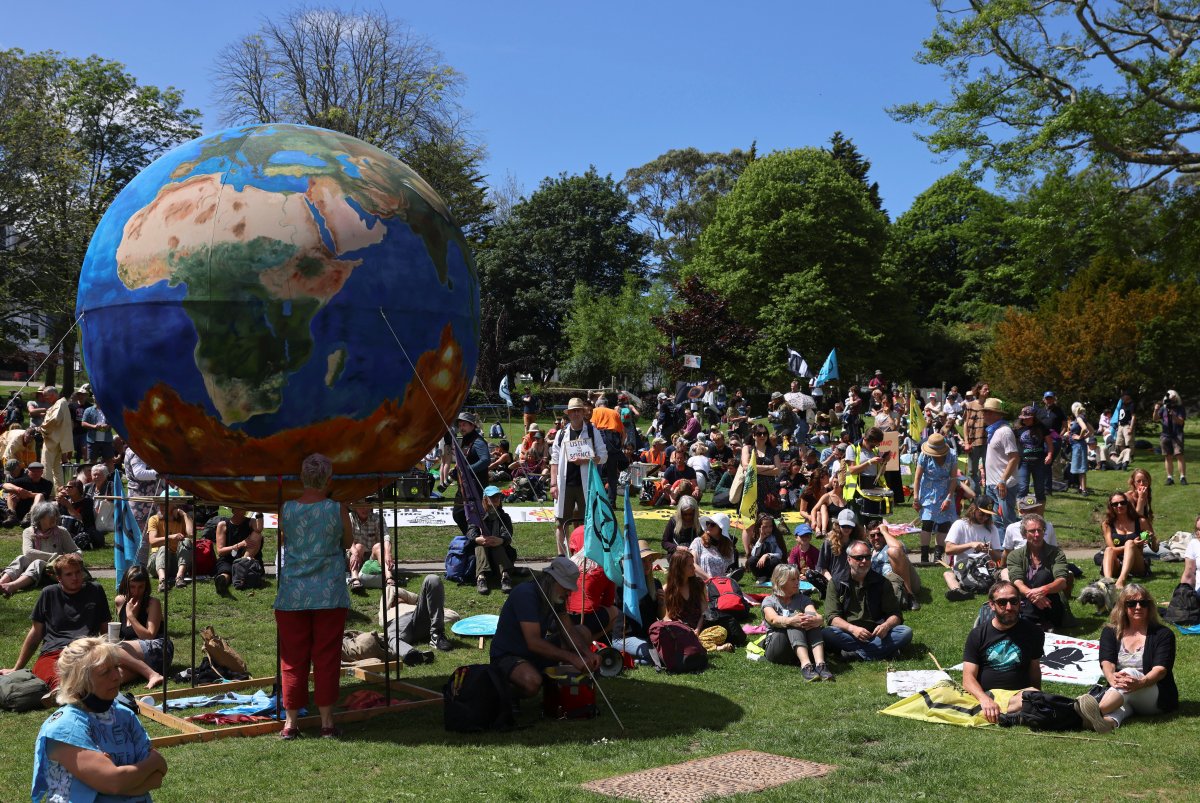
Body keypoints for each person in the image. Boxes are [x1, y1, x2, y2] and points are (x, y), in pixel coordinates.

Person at [30, 637, 167, 802]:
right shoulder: (64, 727)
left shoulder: (124, 714)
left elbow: (157, 777)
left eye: (116, 667)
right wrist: (153, 762)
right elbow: (113, 782)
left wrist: (123, 781)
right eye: (105, 672)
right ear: (79, 681)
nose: (117, 676)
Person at [274, 453, 353, 740]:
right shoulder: (337, 509)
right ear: (329, 479)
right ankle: (327, 722)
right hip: (329, 593)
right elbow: (348, 542)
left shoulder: (287, 509)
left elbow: (287, 539)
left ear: (302, 478)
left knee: (292, 658)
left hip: (292, 594)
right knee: (326, 657)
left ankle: (290, 723)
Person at [490, 556, 599, 698]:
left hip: (534, 654)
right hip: (508, 656)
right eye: (566, 587)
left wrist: (587, 653)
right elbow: (533, 643)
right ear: (553, 581)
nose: (569, 593)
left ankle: (553, 678)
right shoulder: (526, 595)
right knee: (532, 682)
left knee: (582, 632)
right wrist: (573, 658)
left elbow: (569, 630)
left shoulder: (555, 595)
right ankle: (504, 692)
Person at [1076, 585, 1178, 733]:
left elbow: (1160, 670)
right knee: (1122, 707)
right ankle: (1104, 723)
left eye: (1143, 603)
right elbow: (1106, 661)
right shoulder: (1110, 631)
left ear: (1149, 606)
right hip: (1124, 691)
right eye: (1131, 603)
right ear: (1122, 606)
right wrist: (1111, 679)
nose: (1138, 607)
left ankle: (1092, 711)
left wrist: (1141, 682)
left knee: (1128, 673)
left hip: (1154, 694)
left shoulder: (1163, 634)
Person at [961, 581, 1045, 724]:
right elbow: (967, 679)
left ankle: (1016, 712)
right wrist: (984, 699)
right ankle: (1018, 713)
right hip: (989, 695)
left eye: (1014, 601)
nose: (1009, 607)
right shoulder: (978, 634)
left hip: (1019, 694)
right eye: (1002, 602)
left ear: (1020, 602)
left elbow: (1034, 669)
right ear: (992, 605)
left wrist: (1036, 694)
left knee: (1038, 698)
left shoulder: (1034, 632)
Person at [821, 540, 913, 661]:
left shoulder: (882, 582)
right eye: (859, 558)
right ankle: (882, 651)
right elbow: (832, 617)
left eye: (867, 557)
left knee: (905, 632)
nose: (864, 561)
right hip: (849, 632)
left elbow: (895, 614)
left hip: (877, 633)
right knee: (827, 633)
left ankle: (857, 654)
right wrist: (853, 629)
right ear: (849, 559)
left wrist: (886, 626)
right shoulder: (836, 582)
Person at [549, 397, 607, 557]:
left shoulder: (592, 431)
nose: (575, 414)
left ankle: (585, 554)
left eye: (578, 411)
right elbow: (553, 460)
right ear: (568, 414)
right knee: (560, 523)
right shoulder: (561, 434)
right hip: (564, 485)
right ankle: (561, 556)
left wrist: (586, 460)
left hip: (586, 485)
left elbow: (603, 456)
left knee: (586, 522)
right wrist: (553, 484)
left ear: (583, 412)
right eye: (572, 411)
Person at [761, 563, 833, 681]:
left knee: (809, 619)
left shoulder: (803, 599)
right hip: (778, 648)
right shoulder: (769, 600)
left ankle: (821, 665)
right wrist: (791, 620)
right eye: (793, 580)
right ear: (781, 582)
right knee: (795, 620)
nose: (797, 582)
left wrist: (817, 619)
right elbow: (773, 619)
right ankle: (806, 666)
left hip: (799, 646)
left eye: (797, 579)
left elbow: (815, 614)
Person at [1005, 514, 1071, 630]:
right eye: (1032, 531)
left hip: (1050, 602)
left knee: (1043, 576)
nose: (1037, 535)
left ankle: (1032, 623)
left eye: (1040, 530)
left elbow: (1062, 581)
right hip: (1025, 601)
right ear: (1024, 534)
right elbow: (1017, 581)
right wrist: (1032, 595)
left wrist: (1042, 590)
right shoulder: (1014, 555)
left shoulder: (1056, 553)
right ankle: (1037, 624)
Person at [0, 500, 80, 597]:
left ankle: (12, 586)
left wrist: (75, 555)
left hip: (53, 569)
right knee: (21, 558)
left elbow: (75, 550)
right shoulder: (28, 532)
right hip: (40, 564)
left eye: (55, 515)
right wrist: (56, 556)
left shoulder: (61, 532)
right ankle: (2, 583)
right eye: (50, 515)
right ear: (39, 518)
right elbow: (28, 553)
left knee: (38, 562)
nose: (54, 518)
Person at [663, 550, 733, 653]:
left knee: (721, 631)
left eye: (693, 564)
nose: (694, 568)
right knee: (672, 637)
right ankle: (713, 647)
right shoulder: (667, 589)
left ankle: (695, 643)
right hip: (680, 630)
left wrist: (698, 629)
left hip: (699, 628)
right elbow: (666, 617)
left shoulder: (699, 585)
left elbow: (704, 611)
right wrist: (682, 628)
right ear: (679, 568)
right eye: (690, 566)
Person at [112, 564, 170, 687]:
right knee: (113, 676)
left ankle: (152, 674)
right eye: (132, 587)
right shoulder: (120, 601)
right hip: (134, 655)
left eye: (141, 587)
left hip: (159, 648)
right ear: (125, 585)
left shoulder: (152, 603)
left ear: (146, 586)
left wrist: (131, 616)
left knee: (112, 648)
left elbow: (149, 636)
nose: (136, 592)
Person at [609, 540, 664, 664]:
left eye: (650, 560)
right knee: (657, 655)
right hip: (625, 637)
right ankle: (632, 658)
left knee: (664, 653)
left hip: (647, 636)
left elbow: (660, 615)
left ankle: (632, 659)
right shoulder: (623, 585)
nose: (647, 564)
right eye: (643, 560)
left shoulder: (655, 583)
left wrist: (661, 603)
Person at [383, 574, 454, 664]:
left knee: (432, 579)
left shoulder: (414, 605)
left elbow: (453, 615)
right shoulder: (388, 609)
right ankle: (412, 655)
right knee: (392, 637)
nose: (398, 599)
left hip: (418, 618)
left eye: (400, 597)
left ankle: (436, 635)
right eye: (395, 598)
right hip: (398, 620)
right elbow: (389, 590)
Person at [911, 432, 958, 564]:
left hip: (945, 490)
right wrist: (916, 498)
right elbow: (917, 477)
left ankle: (938, 556)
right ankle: (924, 556)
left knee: (943, 523)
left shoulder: (952, 455)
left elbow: (954, 478)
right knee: (927, 522)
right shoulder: (924, 455)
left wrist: (948, 498)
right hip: (927, 491)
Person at [565, 525, 619, 640]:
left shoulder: (568, 563)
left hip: (564, 615)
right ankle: (591, 639)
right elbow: (608, 602)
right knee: (615, 612)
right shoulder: (605, 566)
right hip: (587, 618)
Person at [943, 502, 1003, 602]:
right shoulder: (960, 524)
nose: (985, 518)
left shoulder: (992, 528)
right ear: (973, 510)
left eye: (988, 515)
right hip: (964, 566)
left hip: (985, 566)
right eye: (982, 514)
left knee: (1004, 571)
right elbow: (948, 549)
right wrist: (970, 545)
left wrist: (990, 550)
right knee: (948, 574)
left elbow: (998, 557)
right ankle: (957, 591)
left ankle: (1007, 588)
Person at [1102, 492, 1155, 589]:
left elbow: (1155, 549)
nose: (1119, 506)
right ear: (1111, 507)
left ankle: (1121, 581)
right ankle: (1107, 583)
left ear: (1128, 503)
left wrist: (1153, 539)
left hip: (1137, 563)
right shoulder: (1107, 524)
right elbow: (1112, 549)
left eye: (1122, 503)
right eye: (1115, 504)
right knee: (1108, 550)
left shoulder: (1140, 521)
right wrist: (1130, 546)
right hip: (1117, 563)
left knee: (1129, 543)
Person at [981, 398, 1020, 529]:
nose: (985, 415)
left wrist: (1003, 480)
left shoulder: (1004, 432)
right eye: (985, 412)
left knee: (1007, 521)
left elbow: (1014, 457)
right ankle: (1001, 548)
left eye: (989, 412)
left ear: (998, 415)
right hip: (992, 484)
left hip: (1004, 485)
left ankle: (1012, 548)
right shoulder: (993, 431)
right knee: (995, 520)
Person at [472, 486, 518, 595]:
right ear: (485, 499)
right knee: (480, 546)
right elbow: (470, 532)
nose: (496, 499)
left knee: (497, 545)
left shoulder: (504, 517)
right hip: (481, 554)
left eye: (498, 496)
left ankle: (505, 577)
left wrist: (500, 540)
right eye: (492, 497)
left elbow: (507, 535)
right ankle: (481, 578)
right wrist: (477, 539)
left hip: (499, 552)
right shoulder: (476, 516)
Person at [867, 519, 922, 611]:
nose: (876, 538)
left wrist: (884, 531)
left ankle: (910, 596)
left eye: (879, 534)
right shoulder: (869, 552)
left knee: (894, 551)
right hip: (888, 584)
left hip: (907, 581)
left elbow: (898, 548)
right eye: (872, 535)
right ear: (868, 537)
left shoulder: (891, 544)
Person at [451, 410, 490, 536]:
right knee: (458, 514)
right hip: (463, 486)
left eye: (464, 425)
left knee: (475, 516)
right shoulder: (464, 440)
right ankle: (472, 539)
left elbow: (485, 460)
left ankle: (477, 540)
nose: (461, 427)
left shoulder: (478, 441)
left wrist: (467, 470)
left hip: (475, 487)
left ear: (472, 426)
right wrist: (455, 472)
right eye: (460, 425)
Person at [147, 496, 193, 594]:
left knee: (186, 541)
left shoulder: (182, 518)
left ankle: (179, 577)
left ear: (175, 505)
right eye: (160, 503)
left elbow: (191, 534)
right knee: (163, 547)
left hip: (176, 563)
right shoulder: (154, 519)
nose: (161, 506)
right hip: (156, 563)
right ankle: (162, 581)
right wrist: (171, 537)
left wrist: (184, 514)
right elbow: (152, 541)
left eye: (165, 503)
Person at [213, 508, 266, 594]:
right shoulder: (223, 525)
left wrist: (259, 511)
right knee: (226, 572)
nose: (244, 509)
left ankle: (241, 568)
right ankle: (222, 582)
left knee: (257, 535)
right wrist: (240, 545)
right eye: (240, 507)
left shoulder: (251, 522)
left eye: (244, 507)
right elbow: (220, 551)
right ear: (233, 509)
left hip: (246, 559)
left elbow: (259, 529)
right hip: (228, 558)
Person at [1013, 405, 1054, 506]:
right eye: (1023, 418)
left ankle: (1040, 513)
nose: (1025, 420)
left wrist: (1049, 455)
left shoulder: (1041, 427)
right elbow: (1013, 444)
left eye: (1028, 418)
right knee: (1023, 487)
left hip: (1039, 462)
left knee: (1040, 489)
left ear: (1033, 417)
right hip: (1023, 462)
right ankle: (1021, 513)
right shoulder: (1018, 428)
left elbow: (1049, 443)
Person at [741, 424, 783, 512]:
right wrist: (768, 467)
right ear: (753, 435)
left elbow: (778, 470)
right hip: (751, 488)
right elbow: (745, 466)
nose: (762, 436)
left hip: (769, 489)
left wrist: (755, 470)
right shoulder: (747, 448)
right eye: (759, 434)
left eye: (765, 434)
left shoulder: (773, 450)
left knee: (771, 518)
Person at [818, 508, 864, 587]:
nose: (846, 529)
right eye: (843, 526)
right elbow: (821, 567)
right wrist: (832, 582)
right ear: (838, 525)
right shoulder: (828, 542)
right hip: (832, 581)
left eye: (849, 526)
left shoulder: (858, 543)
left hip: (852, 582)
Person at [39, 386, 74, 491]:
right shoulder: (61, 403)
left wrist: (41, 428)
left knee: (46, 466)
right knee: (56, 468)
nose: (46, 399)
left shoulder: (60, 403)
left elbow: (54, 420)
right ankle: (60, 491)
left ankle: (47, 491)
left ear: (53, 395)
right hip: (58, 440)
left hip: (52, 440)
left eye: (47, 397)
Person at [2, 460, 53, 527]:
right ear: (28, 472)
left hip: (36, 509)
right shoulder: (22, 481)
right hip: (20, 507)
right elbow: (4, 485)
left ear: (42, 472)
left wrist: (27, 494)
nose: (36, 474)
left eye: (38, 471)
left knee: (40, 495)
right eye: (33, 471)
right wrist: (19, 489)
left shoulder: (47, 484)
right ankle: (12, 516)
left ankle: (30, 516)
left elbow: (44, 496)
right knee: (11, 493)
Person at [345, 505, 383, 594]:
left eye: (367, 506)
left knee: (379, 546)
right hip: (354, 554)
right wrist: (354, 553)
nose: (365, 509)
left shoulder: (377, 518)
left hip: (371, 557)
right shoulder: (349, 518)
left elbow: (385, 538)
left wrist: (387, 553)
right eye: (361, 506)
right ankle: (355, 579)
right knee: (359, 547)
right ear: (355, 507)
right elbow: (347, 538)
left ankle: (387, 577)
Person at [690, 513, 738, 582]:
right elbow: (692, 564)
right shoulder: (698, 542)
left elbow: (729, 571)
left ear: (721, 529)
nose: (709, 526)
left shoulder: (728, 547)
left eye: (712, 524)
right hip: (700, 583)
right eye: (707, 523)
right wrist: (710, 579)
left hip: (720, 583)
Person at [1153, 390, 1186, 485]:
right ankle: (1169, 478)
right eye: (1170, 398)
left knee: (1179, 455)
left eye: (1174, 398)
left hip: (1177, 434)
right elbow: (1155, 419)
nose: (1172, 400)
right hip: (1165, 435)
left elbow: (1181, 422)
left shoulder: (1180, 408)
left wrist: (1173, 415)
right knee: (1168, 457)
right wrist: (1155, 410)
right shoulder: (1163, 408)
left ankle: (1182, 477)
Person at [57, 479, 100, 549]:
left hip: (83, 530)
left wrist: (68, 505)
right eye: (66, 487)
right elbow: (60, 518)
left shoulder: (87, 502)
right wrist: (58, 503)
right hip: (66, 530)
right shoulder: (64, 501)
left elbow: (81, 519)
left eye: (70, 487)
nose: (67, 489)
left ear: (78, 489)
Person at [745, 513, 787, 581]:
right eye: (765, 527)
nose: (768, 529)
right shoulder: (756, 536)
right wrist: (761, 539)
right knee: (752, 560)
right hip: (760, 565)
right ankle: (760, 576)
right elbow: (754, 554)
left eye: (770, 526)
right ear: (759, 527)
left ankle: (772, 576)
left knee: (774, 561)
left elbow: (780, 554)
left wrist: (767, 555)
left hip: (772, 564)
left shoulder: (776, 536)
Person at [1066, 402, 1092, 494]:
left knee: (1081, 468)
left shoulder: (1079, 418)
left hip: (1078, 446)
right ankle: (1081, 487)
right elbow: (1091, 430)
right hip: (1078, 445)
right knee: (1080, 467)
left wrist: (1080, 437)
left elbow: (1084, 428)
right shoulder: (1083, 418)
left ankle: (1084, 490)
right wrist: (1084, 437)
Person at [81, 398, 115, 464]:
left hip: (107, 439)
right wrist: (94, 426)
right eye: (95, 397)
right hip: (92, 440)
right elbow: (83, 423)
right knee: (91, 461)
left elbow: (115, 422)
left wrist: (108, 426)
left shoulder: (109, 410)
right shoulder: (88, 410)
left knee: (109, 461)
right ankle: (92, 474)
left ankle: (110, 474)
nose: (96, 399)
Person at [1126, 468, 1155, 539]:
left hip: (1142, 530)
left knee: (1157, 546)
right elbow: (1137, 517)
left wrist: (1152, 534)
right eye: (1138, 481)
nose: (1142, 484)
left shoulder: (1146, 495)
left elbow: (1146, 517)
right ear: (1133, 483)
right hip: (1129, 532)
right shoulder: (1128, 496)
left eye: (1145, 481)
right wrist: (1141, 498)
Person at [1111, 390, 1137, 471]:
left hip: (1127, 425)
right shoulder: (1122, 404)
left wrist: (1131, 428)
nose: (1122, 398)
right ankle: (1125, 457)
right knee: (1119, 443)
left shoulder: (1132, 405)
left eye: (1123, 396)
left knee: (1129, 442)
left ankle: (1131, 456)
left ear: (1128, 396)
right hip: (1120, 425)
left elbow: (1133, 417)